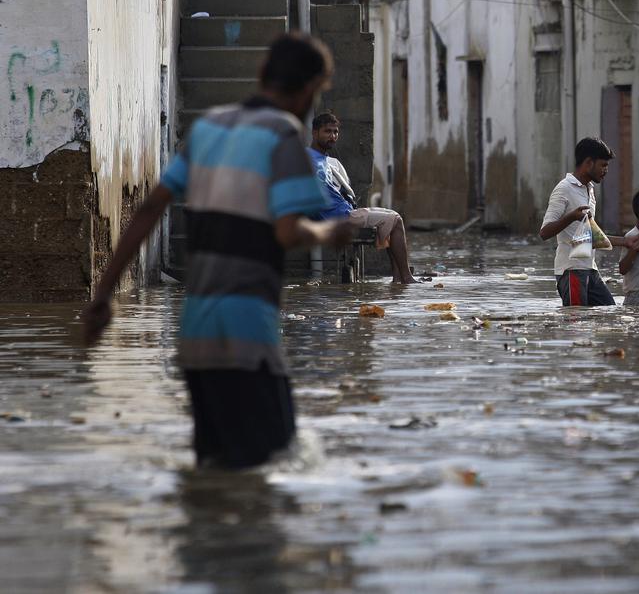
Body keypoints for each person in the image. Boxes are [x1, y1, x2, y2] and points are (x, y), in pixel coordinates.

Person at [82, 32, 352, 470]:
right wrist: (328, 235)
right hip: (248, 332)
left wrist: (103, 296)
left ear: (263, 73)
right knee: (274, 461)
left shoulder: (211, 127)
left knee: (213, 466)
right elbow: (286, 232)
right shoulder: (285, 137)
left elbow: (149, 210)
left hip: (195, 334)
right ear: (308, 91)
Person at [540, 137, 639, 306]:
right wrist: (571, 216)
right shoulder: (564, 189)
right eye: (603, 165)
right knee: (576, 325)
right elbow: (544, 232)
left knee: (608, 311)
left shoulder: (589, 190)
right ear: (589, 163)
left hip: (590, 269)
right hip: (571, 270)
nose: (605, 171)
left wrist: (626, 241)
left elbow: (591, 236)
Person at [308, 112, 414, 284]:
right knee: (396, 219)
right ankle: (406, 277)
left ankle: (398, 278)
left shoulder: (326, 161)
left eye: (335, 132)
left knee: (391, 218)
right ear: (314, 133)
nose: (333, 136)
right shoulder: (308, 158)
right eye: (327, 131)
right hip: (341, 218)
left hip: (345, 213)